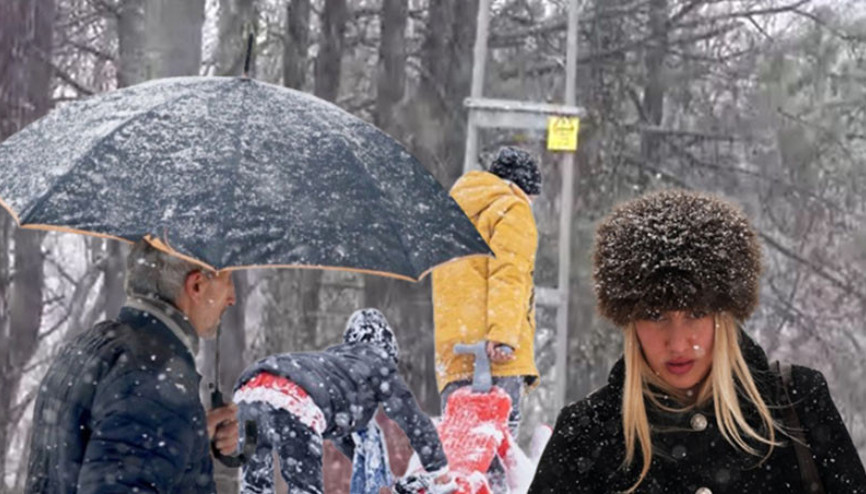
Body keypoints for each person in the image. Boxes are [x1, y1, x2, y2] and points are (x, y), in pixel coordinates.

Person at [529, 189, 866, 493]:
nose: (677, 343)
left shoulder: (798, 405)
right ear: (630, 321)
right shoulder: (587, 435)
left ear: (724, 315)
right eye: (655, 315)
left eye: (695, 313)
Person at [25, 240, 240, 493]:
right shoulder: (155, 376)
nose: (232, 298)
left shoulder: (91, 346)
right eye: (227, 280)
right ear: (197, 285)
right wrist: (171, 418)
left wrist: (190, 437)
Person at [233, 308, 456, 494]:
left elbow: (340, 431)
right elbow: (412, 418)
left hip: (252, 390)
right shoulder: (378, 362)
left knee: (255, 485)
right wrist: (438, 468)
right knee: (304, 488)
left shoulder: (335, 367)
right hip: (295, 398)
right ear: (388, 350)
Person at [432, 146, 541, 492]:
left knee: (462, 460)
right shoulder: (512, 208)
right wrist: (504, 335)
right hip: (496, 355)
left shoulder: (452, 215)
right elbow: (509, 275)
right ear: (524, 188)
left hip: (454, 356)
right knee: (498, 459)